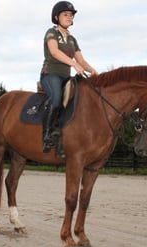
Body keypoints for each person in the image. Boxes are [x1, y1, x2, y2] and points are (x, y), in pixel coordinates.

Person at [40, 1, 97, 156]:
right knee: (57, 98)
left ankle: (63, 140)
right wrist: (73, 64)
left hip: (66, 78)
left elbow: (82, 61)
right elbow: (54, 52)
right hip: (50, 74)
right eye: (65, 14)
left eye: (71, 15)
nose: (69, 17)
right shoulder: (51, 33)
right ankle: (46, 135)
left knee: (77, 103)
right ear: (56, 17)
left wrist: (93, 71)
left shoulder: (72, 39)